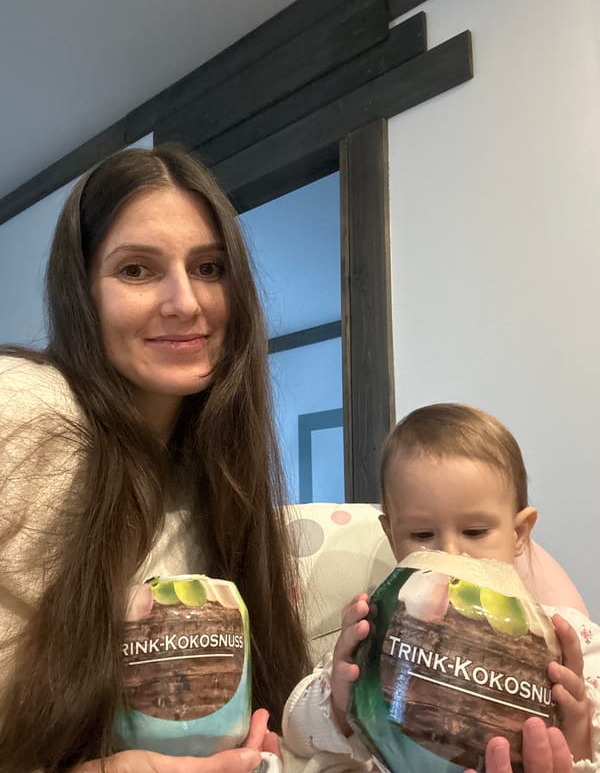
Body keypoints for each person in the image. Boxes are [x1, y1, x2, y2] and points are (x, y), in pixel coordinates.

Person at [0, 145, 311, 772]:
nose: (186, 302)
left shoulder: (215, 485)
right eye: (137, 271)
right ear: (82, 292)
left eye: (209, 267)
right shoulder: (23, 406)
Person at [282, 403, 600, 772]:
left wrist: (576, 730)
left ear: (519, 534)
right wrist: (339, 701)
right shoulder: (377, 631)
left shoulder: (568, 640)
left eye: (475, 532)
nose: (451, 553)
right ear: (392, 537)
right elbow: (294, 733)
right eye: (421, 535)